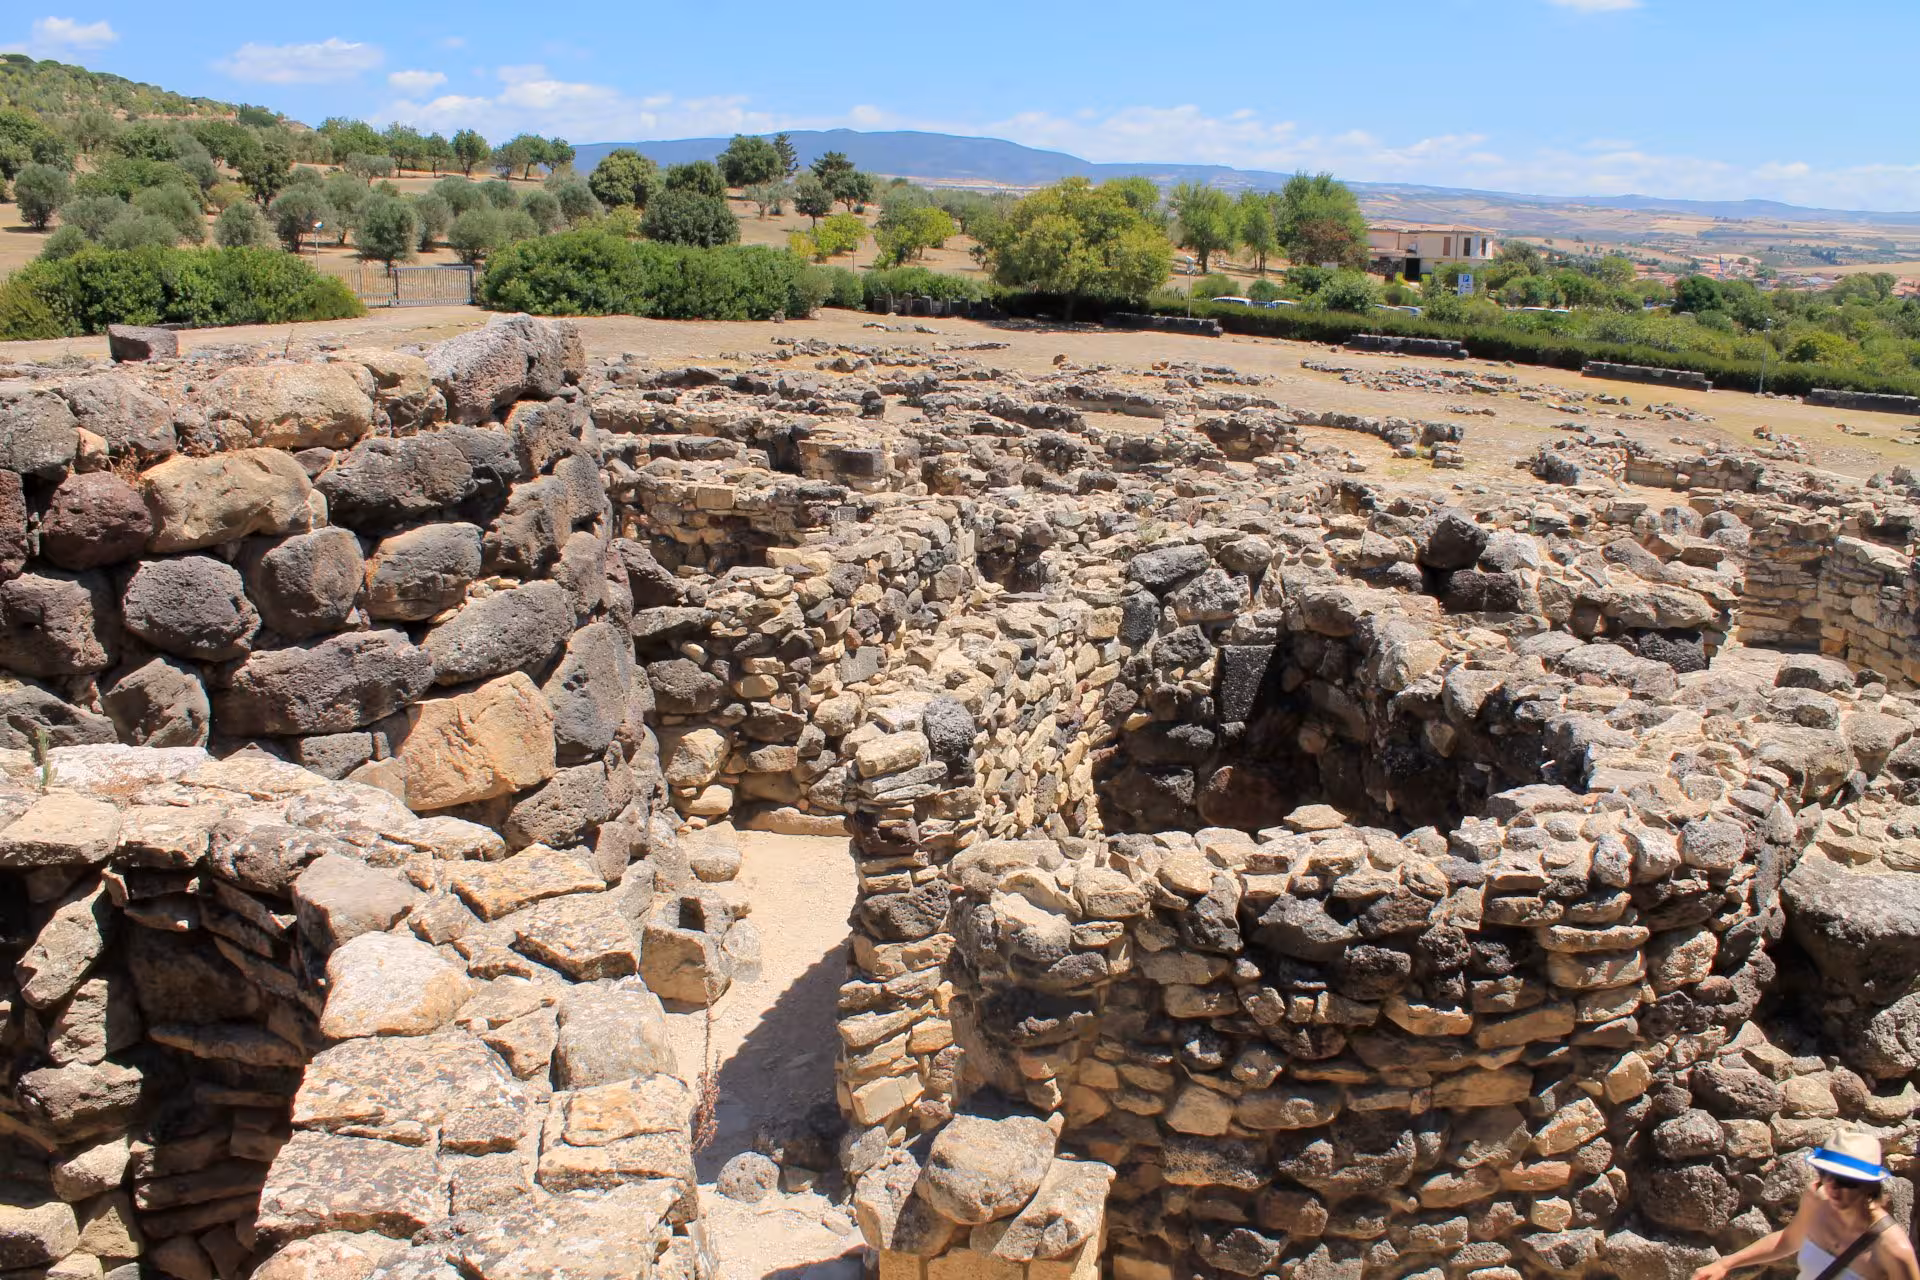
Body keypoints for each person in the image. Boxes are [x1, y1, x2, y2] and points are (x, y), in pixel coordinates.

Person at [1692, 1131, 1920, 1280]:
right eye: (1826, 1175)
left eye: (1846, 1181)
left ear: (1869, 1187)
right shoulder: (1818, 1201)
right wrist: (1725, 1264)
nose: (1833, 1187)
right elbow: (1788, 1240)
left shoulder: (1893, 1248)